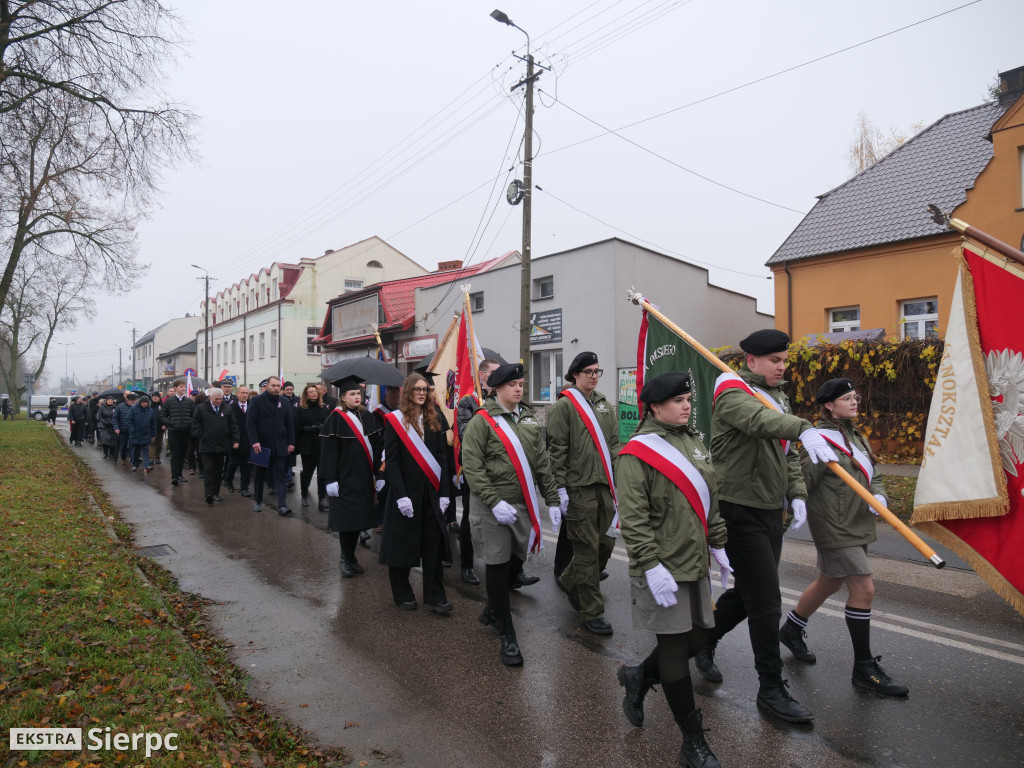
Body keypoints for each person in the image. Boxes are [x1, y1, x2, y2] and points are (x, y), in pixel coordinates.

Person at [694, 329, 837, 724]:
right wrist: (802, 426)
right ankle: (770, 690)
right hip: (737, 510)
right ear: (751, 360)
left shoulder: (777, 397)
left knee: (748, 595)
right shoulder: (732, 393)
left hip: (768, 510)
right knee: (767, 602)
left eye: (784, 360)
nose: (782, 367)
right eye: (774, 360)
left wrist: (797, 494)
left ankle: (701, 641)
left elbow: (786, 453)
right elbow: (760, 423)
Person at [615, 372, 729, 768]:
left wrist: (719, 542)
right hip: (661, 568)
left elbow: (709, 498)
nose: (686, 406)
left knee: (698, 638)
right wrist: (649, 564)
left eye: (688, 400)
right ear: (655, 406)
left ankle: (639, 677)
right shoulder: (635, 453)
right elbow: (634, 517)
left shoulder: (694, 442)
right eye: (678, 400)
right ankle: (692, 741)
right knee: (677, 647)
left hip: (693, 562)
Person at [780, 377, 908, 697]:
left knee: (830, 581)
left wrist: (879, 496)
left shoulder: (856, 436)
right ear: (829, 405)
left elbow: (873, 474)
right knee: (864, 588)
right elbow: (800, 483)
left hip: (858, 522)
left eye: (856, 397)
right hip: (834, 526)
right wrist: (786, 516)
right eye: (847, 398)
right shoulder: (819, 441)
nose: (854, 402)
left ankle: (792, 629)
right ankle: (864, 668)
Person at [461, 362, 561, 667]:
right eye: (513, 384)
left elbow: (541, 462)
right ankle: (507, 632)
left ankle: (493, 609)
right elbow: (472, 467)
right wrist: (493, 501)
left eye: (522, 384)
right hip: (493, 508)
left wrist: (553, 499)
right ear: (497, 388)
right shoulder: (483, 421)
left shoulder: (529, 417)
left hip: (522, 505)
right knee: (497, 564)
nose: (519, 389)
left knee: (517, 561)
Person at [548, 351, 620, 635]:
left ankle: (569, 578)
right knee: (587, 551)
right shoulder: (564, 407)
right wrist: (561, 490)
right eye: (588, 371)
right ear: (575, 374)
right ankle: (592, 611)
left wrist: (620, 479)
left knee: (607, 544)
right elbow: (557, 451)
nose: (593, 376)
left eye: (597, 371)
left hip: (605, 486)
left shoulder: (604, 404)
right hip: (578, 488)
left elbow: (613, 444)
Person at [378, 374, 453, 611]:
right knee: (403, 544)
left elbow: (442, 458)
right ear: (408, 392)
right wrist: (400, 496)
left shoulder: (436, 417)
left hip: (431, 493)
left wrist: (444, 493)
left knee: (432, 543)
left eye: (426, 389)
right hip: (406, 494)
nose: (422, 393)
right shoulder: (395, 420)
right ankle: (402, 592)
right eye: (417, 389)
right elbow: (392, 460)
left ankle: (435, 595)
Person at [319, 375, 383, 576]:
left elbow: (377, 446)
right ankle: (345, 558)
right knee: (347, 521)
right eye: (352, 394)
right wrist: (331, 479)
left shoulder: (368, 416)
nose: (357, 397)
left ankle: (352, 556)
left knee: (359, 519)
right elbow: (329, 452)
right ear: (343, 397)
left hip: (364, 476)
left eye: (359, 393)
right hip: (344, 478)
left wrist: (380, 474)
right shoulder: (335, 418)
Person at [455, 358, 501, 586]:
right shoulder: (467, 402)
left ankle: (511, 569)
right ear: (482, 376)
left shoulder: (500, 400)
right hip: (476, 470)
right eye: (493, 373)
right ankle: (466, 566)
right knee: (470, 519)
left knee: (503, 519)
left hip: (499, 471)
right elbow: (465, 436)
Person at [246, 376, 296, 516]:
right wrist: (254, 441)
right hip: (262, 447)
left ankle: (282, 506)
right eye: (273, 385)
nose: (276, 388)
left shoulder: (284, 401)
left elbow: (290, 424)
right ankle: (258, 501)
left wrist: (291, 442)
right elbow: (250, 422)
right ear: (267, 386)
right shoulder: (257, 400)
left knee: (280, 476)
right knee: (260, 475)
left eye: (278, 386)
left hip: (280, 445)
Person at [192, 387, 240, 505]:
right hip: (206, 446)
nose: (219, 401)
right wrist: (201, 436)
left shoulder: (227, 408)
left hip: (221, 445)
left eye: (220, 399)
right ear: (210, 398)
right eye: (216, 399)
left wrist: (235, 440)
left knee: (218, 470)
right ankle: (209, 493)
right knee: (209, 470)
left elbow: (233, 426)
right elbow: (195, 424)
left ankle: (216, 493)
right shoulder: (201, 408)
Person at [295, 382, 330, 509]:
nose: (314, 393)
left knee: (322, 473)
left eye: (315, 391)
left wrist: (322, 427)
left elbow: (328, 423)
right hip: (307, 444)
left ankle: (322, 499)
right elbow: (297, 427)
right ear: (306, 395)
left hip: (321, 444)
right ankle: (304, 494)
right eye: (311, 392)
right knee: (307, 472)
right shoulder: (301, 409)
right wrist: (310, 428)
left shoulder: (323, 407)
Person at [162, 379, 196, 486]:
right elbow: (162, 416)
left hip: (185, 431)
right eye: (181, 386)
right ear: (175, 388)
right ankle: (174, 476)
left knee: (182, 454)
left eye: (184, 386)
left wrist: (189, 423)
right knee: (175, 454)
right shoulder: (169, 401)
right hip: (173, 431)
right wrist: (170, 423)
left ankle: (180, 474)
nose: (183, 388)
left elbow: (194, 416)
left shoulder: (189, 402)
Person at [225, 385, 253, 496]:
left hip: (248, 442)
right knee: (233, 464)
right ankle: (228, 481)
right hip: (235, 441)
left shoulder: (252, 406)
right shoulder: (230, 407)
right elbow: (227, 425)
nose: (245, 395)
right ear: (237, 394)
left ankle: (244, 488)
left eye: (247, 393)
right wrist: (231, 440)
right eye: (242, 393)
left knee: (246, 467)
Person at [126, 394, 158, 473]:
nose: (144, 404)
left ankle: (146, 466)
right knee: (136, 450)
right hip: (135, 433)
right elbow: (128, 420)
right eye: (143, 402)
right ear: (140, 402)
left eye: (146, 402)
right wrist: (132, 429)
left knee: (145, 450)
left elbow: (153, 423)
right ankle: (135, 465)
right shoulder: (133, 409)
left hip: (146, 433)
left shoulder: (150, 411)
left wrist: (154, 434)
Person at [111, 392, 137, 464]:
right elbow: (115, 418)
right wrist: (116, 428)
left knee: (133, 445)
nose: (133, 402)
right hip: (123, 430)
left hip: (133, 430)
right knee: (123, 445)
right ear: (127, 400)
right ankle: (123, 458)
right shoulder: (120, 406)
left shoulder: (136, 407)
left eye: (134, 401)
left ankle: (132, 459)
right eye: (132, 401)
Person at [148, 391, 165, 464]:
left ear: (159, 397)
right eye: (153, 396)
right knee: (151, 443)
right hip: (151, 428)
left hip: (160, 427)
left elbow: (166, 415)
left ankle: (157, 457)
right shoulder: (149, 406)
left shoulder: (163, 406)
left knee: (159, 444)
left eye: (156, 396)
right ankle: (151, 458)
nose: (154, 398)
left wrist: (165, 424)